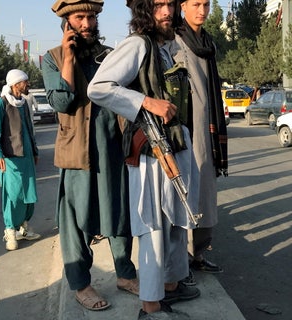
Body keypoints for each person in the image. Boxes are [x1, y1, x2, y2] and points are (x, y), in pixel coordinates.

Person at [88, 0, 201, 317]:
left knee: (176, 220)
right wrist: (147, 103)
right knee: (152, 224)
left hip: (175, 144)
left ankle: (169, 286)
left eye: (170, 4)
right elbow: (99, 88)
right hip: (151, 150)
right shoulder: (137, 44)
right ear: (144, 10)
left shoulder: (164, 46)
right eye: (159, 5)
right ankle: (150, 305)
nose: (167, 12)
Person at [41, 0, 139, 311]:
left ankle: (125, 274)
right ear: (66, 22)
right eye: (80, 17)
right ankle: (81, 284)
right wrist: (69, 58)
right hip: (76, 153)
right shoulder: (52, 58)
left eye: (91, 17)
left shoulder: (108, 56)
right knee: (76, 221)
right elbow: (61, 101)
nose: (87, 24)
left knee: (119, 213)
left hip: (112, 148)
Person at [172, 0, 228, 283]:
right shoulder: (174, 39)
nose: (202, 10)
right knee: (182, 193)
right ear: (182, 6)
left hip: (206, 129)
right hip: (182, 127)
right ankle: (180, 261)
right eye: (196, 3)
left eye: (206, 4)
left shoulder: (208, 43)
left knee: (205, 190)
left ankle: (200, 254)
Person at [0, 69, 40, 251]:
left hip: (26, 156)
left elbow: (29, 129)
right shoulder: (0, 104)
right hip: (10, 158)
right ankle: (10, 230)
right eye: (25, 82)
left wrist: (34, 151)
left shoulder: (23, 103)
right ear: (15, 84)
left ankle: (23, 228)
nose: (27, 84)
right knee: (13, 195)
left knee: (28, 193)